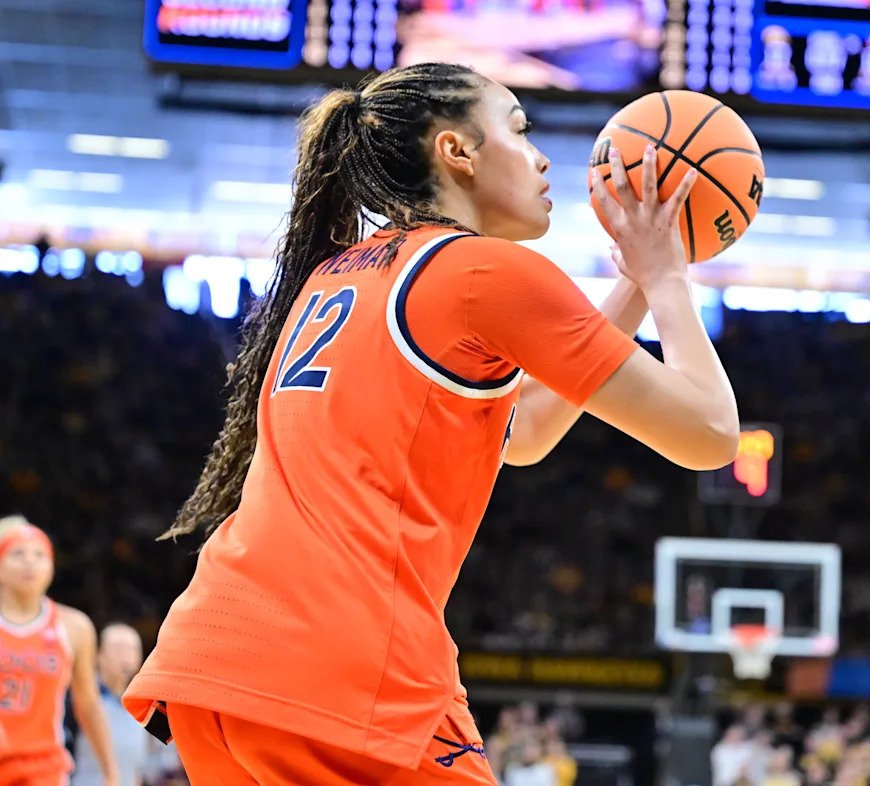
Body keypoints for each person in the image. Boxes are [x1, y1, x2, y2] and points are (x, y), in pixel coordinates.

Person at [122, 62, 738, 784]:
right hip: (339, 664)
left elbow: (527, 432)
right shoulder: (486, 274)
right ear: (456, 152)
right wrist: (668, 279)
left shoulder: (339, 273)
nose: (542, 158)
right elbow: (709, 433)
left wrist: (632, 282)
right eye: (518, 129)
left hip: (217, 659)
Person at [0, 516, 119, 786]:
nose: (30, 561)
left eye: (40, 554)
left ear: (52, 567)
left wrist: (111, 771)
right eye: (18, 553)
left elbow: (88, 703)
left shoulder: (74, 627)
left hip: (44, 767)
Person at [71, 624, 179, 786]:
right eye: (118, 649)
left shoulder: (148, 703)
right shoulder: (80, 698)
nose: (125, 656)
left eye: (132, 649)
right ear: (98, 656)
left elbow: (164, 760)